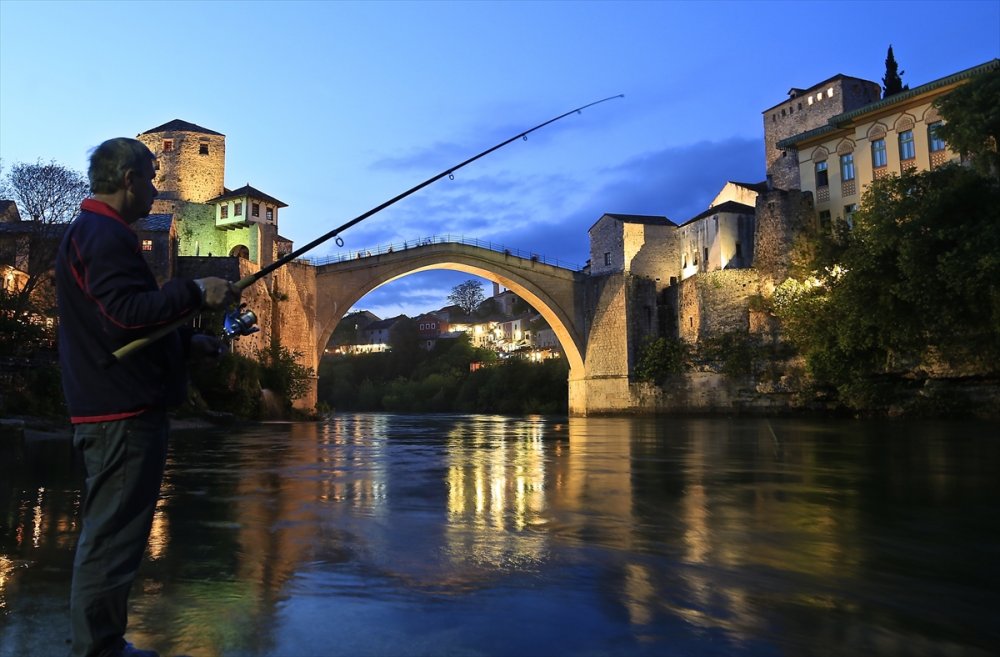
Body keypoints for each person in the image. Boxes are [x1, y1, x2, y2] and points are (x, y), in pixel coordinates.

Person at [55, 137, 239, 657]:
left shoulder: (93, 232)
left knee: (111, 536)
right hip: (121, 412)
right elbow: (125, 316)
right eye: (152, 178)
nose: (157, 190)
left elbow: (121, 321)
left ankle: (101, 641)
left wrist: (188, 342)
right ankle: (100, 648)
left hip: (114, 406)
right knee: (111, 540)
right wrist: (197, 291)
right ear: (130, 180)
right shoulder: (104, 235)